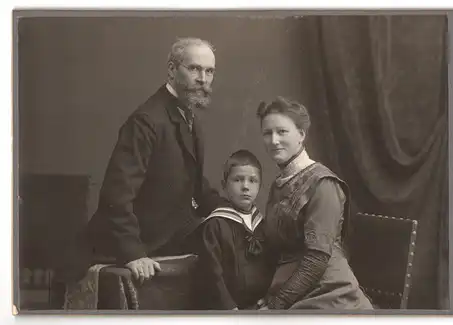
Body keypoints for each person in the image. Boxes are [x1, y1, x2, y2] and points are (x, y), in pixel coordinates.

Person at [70, 37, 224, 285]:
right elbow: (115, 195)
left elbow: (195, 184)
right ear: (172, 70)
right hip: (131, 242)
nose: (202, 79)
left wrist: (233, 213)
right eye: (194, 68)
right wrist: (132, 253)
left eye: (209, 71)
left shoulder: (189, 117)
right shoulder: (147, 121)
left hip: (168, 235)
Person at [254, 96, 373, 310]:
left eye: (282, 132)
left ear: (301, 135)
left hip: (330, 293)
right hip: (295, 290)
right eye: (267, 133)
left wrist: (276, 305)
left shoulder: (323, 184)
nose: (273, 140)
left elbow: (316, 260)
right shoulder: (280, 184)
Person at [196, 150, 274, 310]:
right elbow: (211, 273)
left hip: (259, 306)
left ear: (260, 186)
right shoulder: (216, 225)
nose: (245, 186)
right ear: (224, 186)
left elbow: (272, 264)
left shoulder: (261, 223)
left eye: (253, 181)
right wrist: (228, 307)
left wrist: (269, 297)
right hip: (228, 309)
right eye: (238, 180)